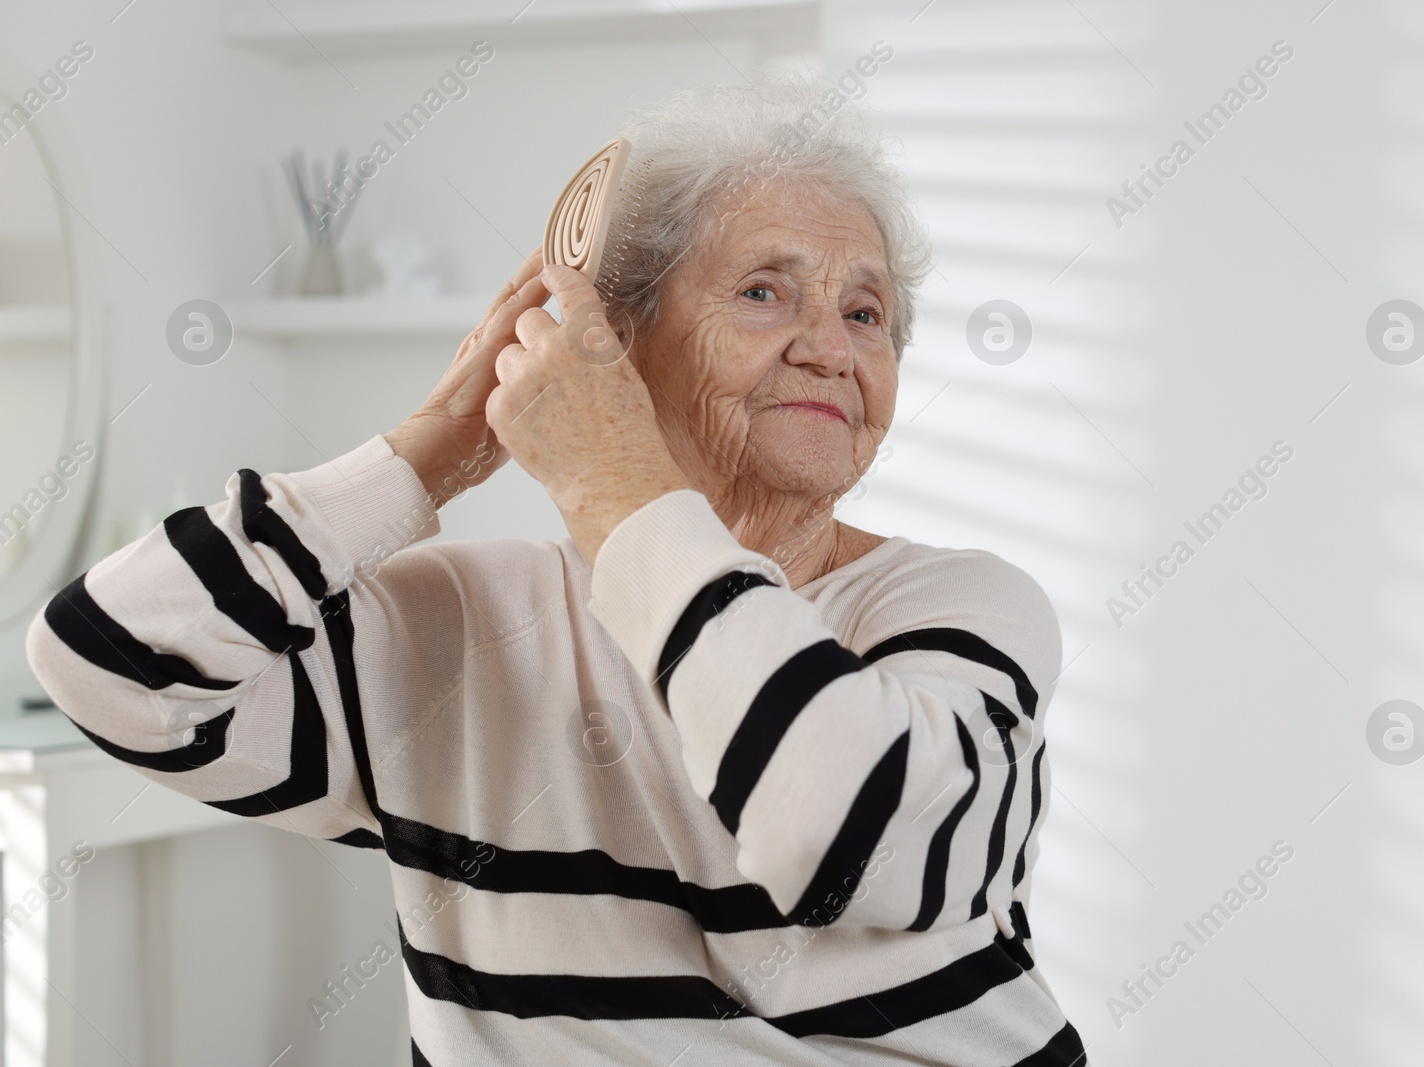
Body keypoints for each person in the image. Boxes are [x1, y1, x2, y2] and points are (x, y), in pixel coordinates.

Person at [27, 72, 1085, 1065]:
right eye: (766, 291)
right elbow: (111, 663)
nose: (831, 348)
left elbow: (846, 831)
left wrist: (619, 489)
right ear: (614, 345)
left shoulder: (958, 605)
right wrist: (432, 448)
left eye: (866, 314)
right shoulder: (463, 620)